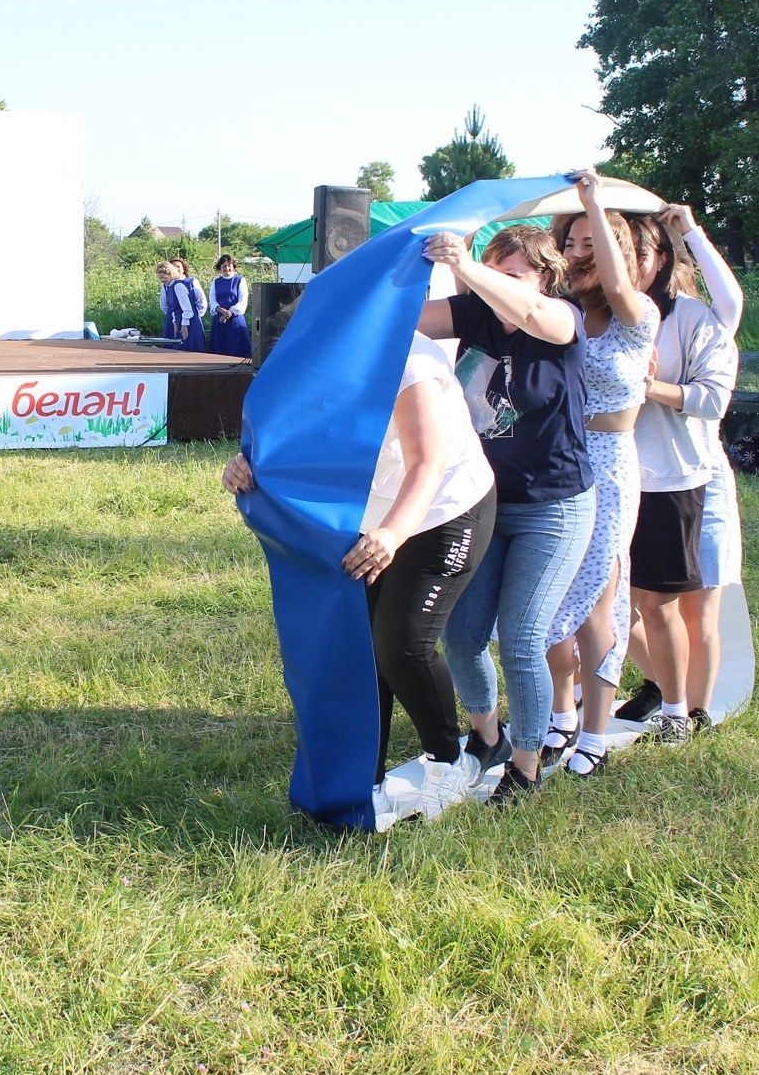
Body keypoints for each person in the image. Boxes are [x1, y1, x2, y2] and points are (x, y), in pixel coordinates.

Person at [223, 333, 496, 829]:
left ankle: (451, 761)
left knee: (402, 645)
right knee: (362, 650)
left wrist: (393, 534)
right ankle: (363, 777)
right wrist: (248, 465)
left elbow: (428, 464)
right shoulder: (318, 359)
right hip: (374, 520)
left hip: (444, 512)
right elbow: (292, 442)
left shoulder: (410, 363)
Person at [420, 224, 595, 806]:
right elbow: (401, 318)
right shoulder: (472, 313)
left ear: (545, 278)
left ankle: (525, 764)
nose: (496, 286)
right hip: (487, 501)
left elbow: (532, 313)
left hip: (556, 504)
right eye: (491, 271)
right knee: (462, 635)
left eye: (512, 274)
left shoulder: (563, 318)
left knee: (522, 638)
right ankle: (486, 735)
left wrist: (470, 268)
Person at [538, 173, 659, 777]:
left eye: (594, 244)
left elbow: (616, 281)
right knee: (548, 595)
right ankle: (560, 716)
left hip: (609, 468)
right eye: (573, 244)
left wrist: (593, 203)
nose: (580, 255)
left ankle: (595, 734)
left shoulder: (639, 317)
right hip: (556, 464)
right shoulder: (558, 315)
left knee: (596, 604)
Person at [619, 204, 746, 729]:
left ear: (663, 259)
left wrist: (647, 387)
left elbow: (712, 400)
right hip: (623, 482)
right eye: (622, 253)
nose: (628, 265)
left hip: (693, 480)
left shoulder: (693, 318)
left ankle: (692, 714)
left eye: (639, 254)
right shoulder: (601, 314)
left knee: (696, 610)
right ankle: (663, 684)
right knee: (617, 611)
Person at [207, 254, 252, 358]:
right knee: (219, 352)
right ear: (220, 268)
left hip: (235, 321)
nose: (226, 268)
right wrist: (222, 311)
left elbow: (243, 301)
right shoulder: (216, 282)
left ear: (233, 266)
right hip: (219, 321)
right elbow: (212, 300)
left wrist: (229, 313)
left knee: (237, 351)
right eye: (224, 266)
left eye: (229, 265)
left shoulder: (240, 281)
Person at [159, 260, 205, 351]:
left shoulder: (178, 286)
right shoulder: (169, 286)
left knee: (190, 349)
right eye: (160, 273)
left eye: (163, 273)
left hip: (187, 322)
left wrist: (184, 325)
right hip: (179, 321)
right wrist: (175, 321)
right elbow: (171, 307)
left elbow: (188, 309)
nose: (161, 276)